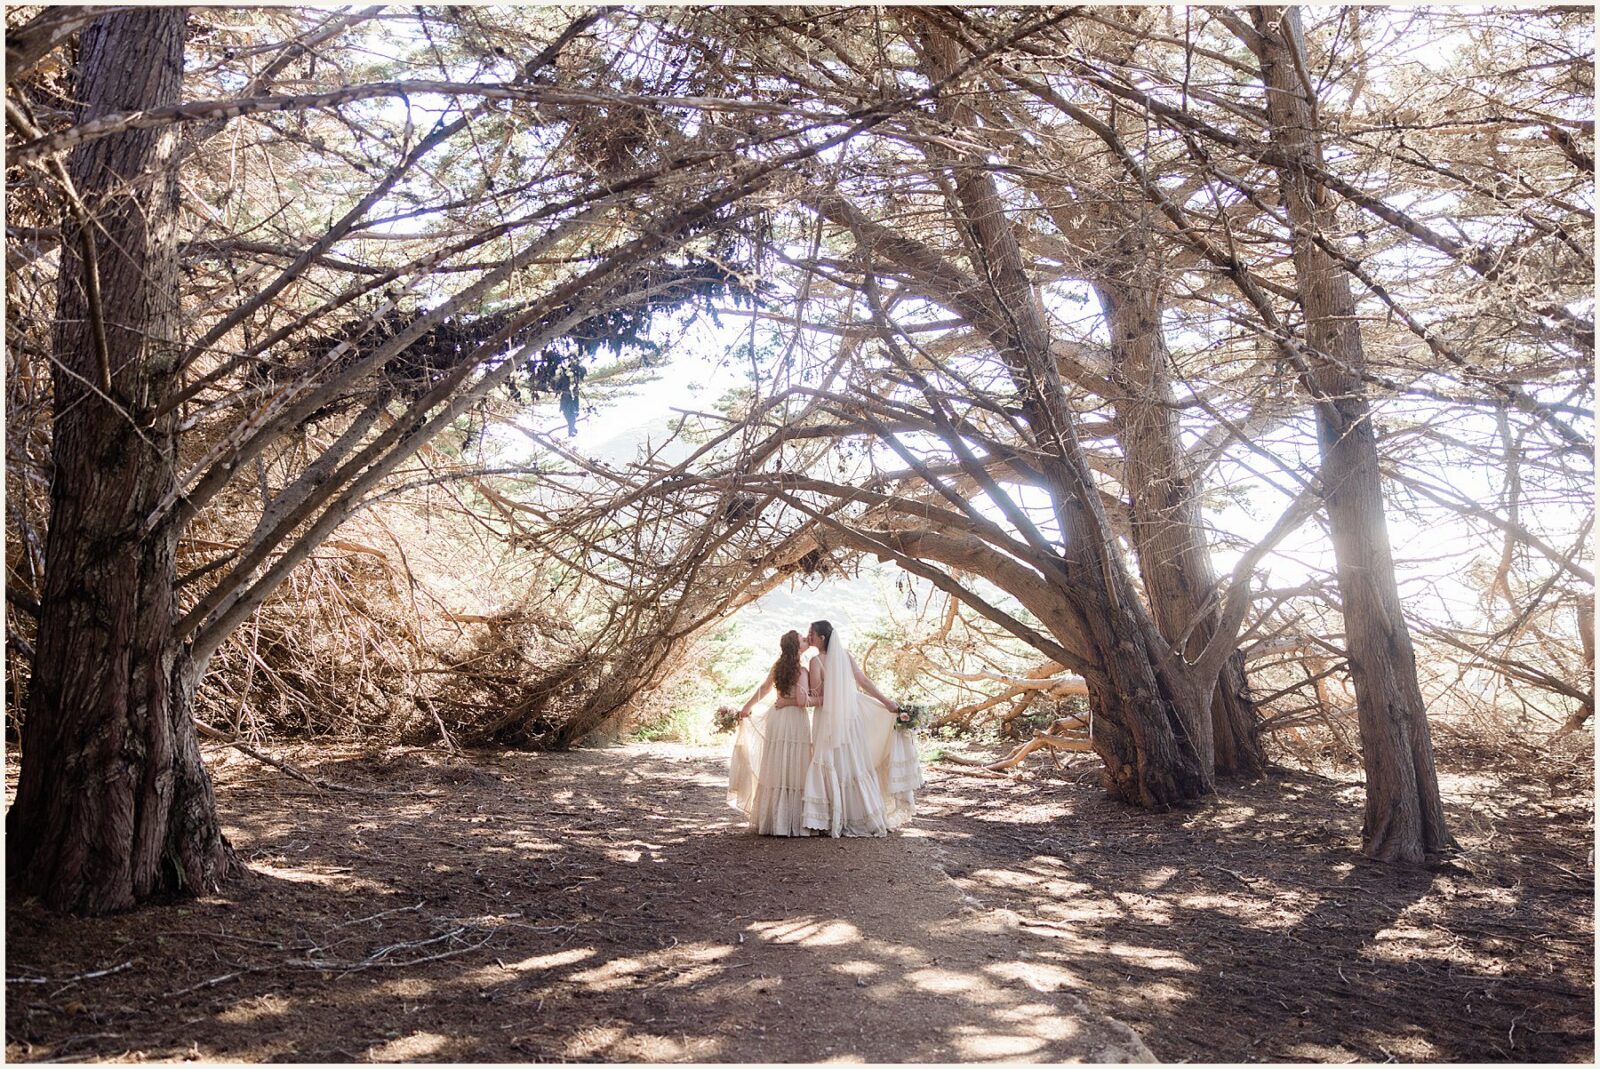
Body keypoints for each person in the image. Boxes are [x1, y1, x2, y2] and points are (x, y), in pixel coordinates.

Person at [800, 620, 921, 837]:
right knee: (851, 760)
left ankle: (832, 815)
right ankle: (860, 813)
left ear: (822, 638)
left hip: (828, 718)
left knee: (834, 760)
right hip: (849, 714)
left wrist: (796, 697)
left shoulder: (816, 661)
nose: (809, 636)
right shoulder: (845, 656)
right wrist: (886, 702)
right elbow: (863, 682)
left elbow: (816, 694)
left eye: (812, 633)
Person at [726, 630, 814, 836]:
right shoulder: (801, 671)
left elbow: (765, 688)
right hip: (793, 718)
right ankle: (790, 820)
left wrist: (746, 707)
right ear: (796, 647)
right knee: (794, 762)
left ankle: (774, 819)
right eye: (802, 639)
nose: (806, 640)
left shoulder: (779, 667)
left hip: (777, 717)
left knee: (777, 760)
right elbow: (804, 701)